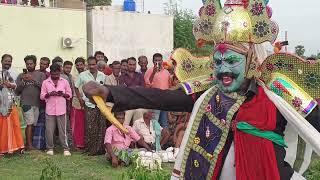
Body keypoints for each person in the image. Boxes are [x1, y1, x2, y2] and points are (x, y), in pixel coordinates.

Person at [83, 1, 320, 179]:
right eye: (218, 62)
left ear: (250, 61)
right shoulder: (207, 93)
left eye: (231, 62)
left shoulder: (275, 92)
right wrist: (110, 92)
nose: (223, 70)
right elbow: (161, 97)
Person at [75, 56, 107, 155]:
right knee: (90, 127)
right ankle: (90, 149)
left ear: (97, 64)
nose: (92, 66)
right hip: (89, 104)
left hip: (101, 104)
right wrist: (80, 98)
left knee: (101, 126)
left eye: (94, 64)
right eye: (90, 64)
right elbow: (76, 87)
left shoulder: (102, 75)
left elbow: (105, 89)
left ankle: (100, 150)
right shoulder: (83, 75)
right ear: (87, 65)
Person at [40, 63, 72, 156]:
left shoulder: (64, 81)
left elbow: (69, 95)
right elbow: (42, 96)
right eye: (53, 74)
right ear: (50, 73)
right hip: (50, 110)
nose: (55, 76)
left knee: (63, 130)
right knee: (49, 130)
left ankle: (66, 149)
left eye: (57, 74)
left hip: (61, 110)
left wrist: (63, 94)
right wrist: (49, 94)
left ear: (59, 72)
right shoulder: (46, 82)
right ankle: (50, 148)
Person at [16, 55, 45, 151]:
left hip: (37, 103)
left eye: (31, 63)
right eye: (27, 64)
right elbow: (17, 91)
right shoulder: (21, 76)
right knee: (29, 123)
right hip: (26, 103)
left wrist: (32, 79)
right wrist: (24, 81)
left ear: (35, 64)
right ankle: (29, 145)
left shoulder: (40, 74)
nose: (29, 65)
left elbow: (43, 87)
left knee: (33, 124)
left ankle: (29, 143)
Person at [0, 55, 24, 155]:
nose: (8, 63)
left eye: (9, 61)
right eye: (6, 61)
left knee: (15, 124)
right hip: (1, 104)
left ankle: (18, 147)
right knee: (2, 126)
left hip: (11, 103)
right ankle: (3, 148)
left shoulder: (13, 73)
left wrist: (10, 85)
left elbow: (15, 86)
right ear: (1, 61)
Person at [144, 53, 171, 129]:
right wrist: (153, 72)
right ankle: (153, 140)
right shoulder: (149, 71)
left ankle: (163, 140)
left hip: (165, 101)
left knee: (164, 123)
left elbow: (169, 86)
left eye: (159, 60)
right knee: (154, 122)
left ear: (162, 61)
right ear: (153, 61)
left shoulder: (166, 72)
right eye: (156, 60)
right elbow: (147, 85)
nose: (158, 62)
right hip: (155, 101)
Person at [119, 57, 145, 126]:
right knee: (126, 118)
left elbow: (143, 90)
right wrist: (136, 88)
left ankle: (136, 135)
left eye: (134, 65)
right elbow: (123, 91)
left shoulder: (140, 76)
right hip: (127, 103)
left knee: (139, 113)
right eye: (130, 64)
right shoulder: (122, 77)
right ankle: (123, 134)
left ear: (136, 65)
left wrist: (129, 88)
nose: (132, 66)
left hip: (138, 103)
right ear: (127, 65)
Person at [33, 56, 51, 150]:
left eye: (45, 64)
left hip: (45, 102)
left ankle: (41, 144)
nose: (43, 65)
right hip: (35, 101)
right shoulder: (34, 73)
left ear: (48, 65)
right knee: (34, 123)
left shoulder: (49, 75)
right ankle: (33, 143)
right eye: (41, 63)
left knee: (43, 124)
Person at [71, 57, 86, 149]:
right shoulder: (73, 76)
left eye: (81, 65)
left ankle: (85, 143)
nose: (79, 67)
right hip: (77, 102)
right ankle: (77, 144)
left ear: (84, 65)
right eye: (77, 65)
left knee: (85, 124)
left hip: (88, 102)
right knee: (77, 124)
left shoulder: (88, 75)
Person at [62, 60, 74, 149]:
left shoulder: (70, 76)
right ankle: (68, 144)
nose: (68, 69)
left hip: (69, 102)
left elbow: (71, 91)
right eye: (67, 67)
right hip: (63, 104)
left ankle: (70, 143)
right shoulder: (62, 77)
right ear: (63, 67)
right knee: (66, 126)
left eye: (70, 68)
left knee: (68, 125)